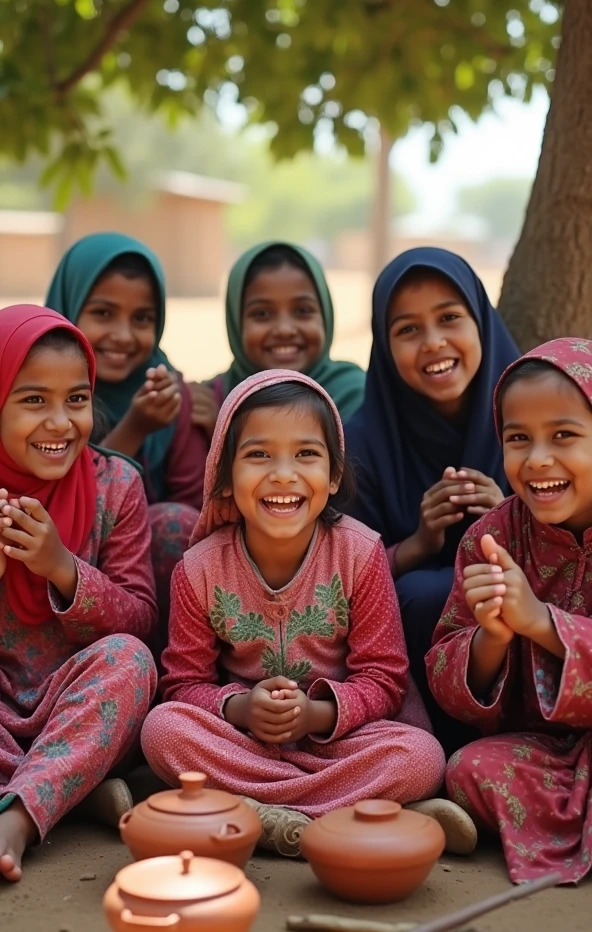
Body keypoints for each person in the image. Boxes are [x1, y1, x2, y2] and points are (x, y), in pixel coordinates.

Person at [142, 369, 477, 858]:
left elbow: (384, 679)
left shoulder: (360, 554)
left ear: (334, 475)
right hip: (245, 741)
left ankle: (250, 810)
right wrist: (242, 708)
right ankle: (358, 815)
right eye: (258, 454)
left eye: (306, 454)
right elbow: (183, 684)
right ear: (225, 477)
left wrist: (316, 714)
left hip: (341, 740)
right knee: (163, 730)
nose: (283, 473)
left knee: (421, 758)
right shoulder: (199, 568)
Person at [0, 305, 157, 882]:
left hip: (79, 701)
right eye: (34, 400)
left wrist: (61, 567)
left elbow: (141, 621)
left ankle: (16, 815)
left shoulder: (117, 485)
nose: (61, 422)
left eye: (77, 399)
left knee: (131, 663)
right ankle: (69, 785)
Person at [427, 337, 592, 883]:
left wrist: (541, 623)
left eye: (564, 436)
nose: (538, 458)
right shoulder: (493, 536)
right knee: (468, 769)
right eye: (518, 438)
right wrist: (492, 638)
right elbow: (444, 665)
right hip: (545, 756)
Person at [345, 247, 519, 753]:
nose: (433, 342)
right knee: (428, 590)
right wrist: (421, 541)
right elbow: (340, 579)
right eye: (407, 329)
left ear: (480, 321)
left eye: (449, 318)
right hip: (414, 648)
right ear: (383, 342)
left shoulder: (532, 412)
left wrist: (508, 518)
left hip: (531, 611)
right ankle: (438, 752)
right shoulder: (363, 443)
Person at [45, 232, 207, 634]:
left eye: (142, 318)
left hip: (131, 595)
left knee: (176, 523)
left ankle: (174, 663)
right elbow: (58, 492)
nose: (123, 335)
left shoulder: (168, 393)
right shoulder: (31, 390)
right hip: (44, 563)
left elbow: (199, 516)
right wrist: (134, 429)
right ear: (69, 305)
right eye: (103, 313)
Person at [188, 242, 366, 438]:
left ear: (325, 315)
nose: (284, 330)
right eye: (262, 313)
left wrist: (224, 434)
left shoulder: (355, 397)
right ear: (236, 322)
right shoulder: (212, 399)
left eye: (303, 311)